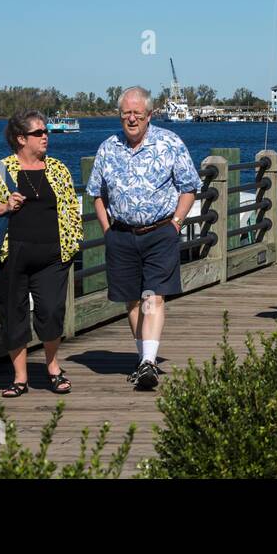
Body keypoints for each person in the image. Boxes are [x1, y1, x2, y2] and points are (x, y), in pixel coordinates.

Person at [85, 87, 201, 391]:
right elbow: (95, 193)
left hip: (160, 231)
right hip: (121, 234)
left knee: (153, 297)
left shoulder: (170, 143)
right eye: (126, 114)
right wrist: (107, 230)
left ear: (150, 115)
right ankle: (143, 361)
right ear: (120, 116)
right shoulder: (108, 147)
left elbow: (189, 186)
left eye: (137, 113)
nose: (131, 119)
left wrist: (176, 223)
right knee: (132, 301)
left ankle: (149, 361)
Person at [0, 111, 82, 398]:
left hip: (53, 256)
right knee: (12, 315)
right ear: (21, 139)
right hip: (11, 255)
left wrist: (73, 242)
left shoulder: (58, 169)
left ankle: (53, 367)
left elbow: (71, 207)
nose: (46, 136)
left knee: (51, 312)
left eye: (46, 132)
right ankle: (19, 378)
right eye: (39, 133)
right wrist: (5, 206)